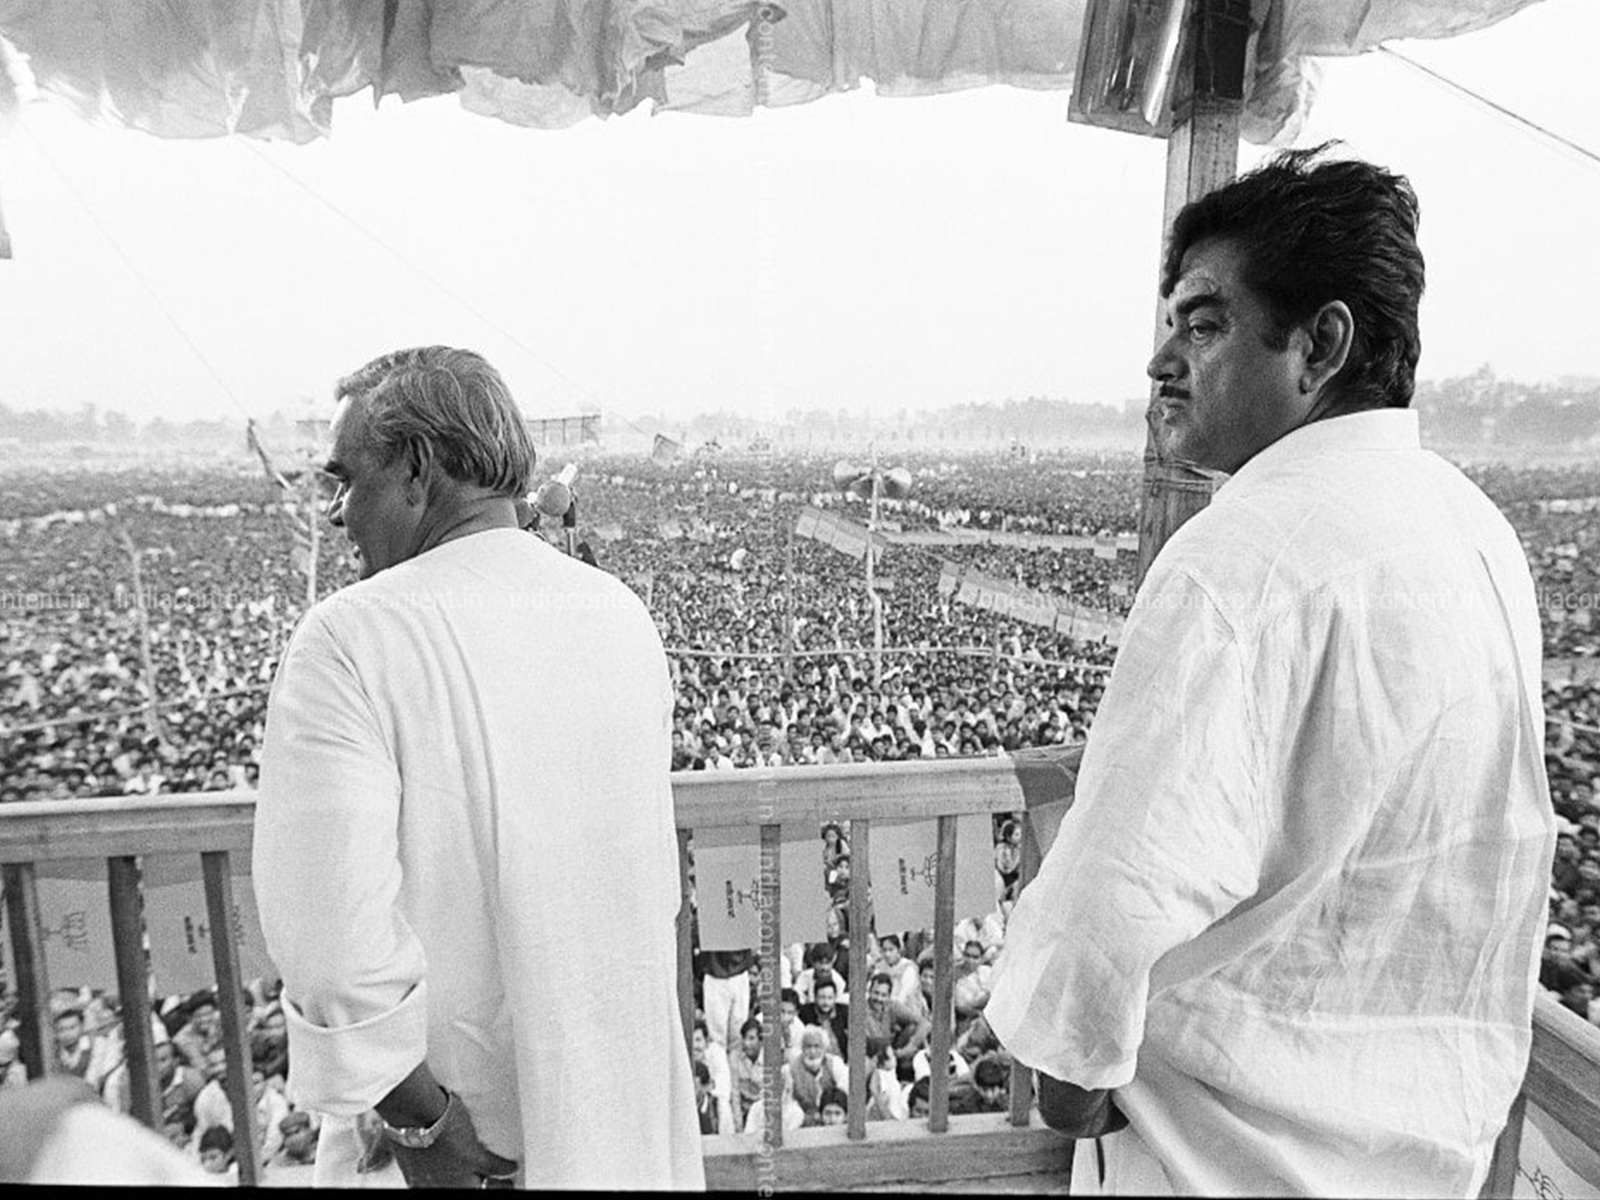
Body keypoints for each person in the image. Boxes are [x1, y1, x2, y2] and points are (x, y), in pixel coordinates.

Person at [986, 146, 1555, 1196]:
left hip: (1214, 1160)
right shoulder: (1474, 530)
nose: (1162, 362)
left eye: (1202, 323)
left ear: (1319, 345)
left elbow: (1110, 903)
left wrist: (1071, 1090)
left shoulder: (1236, 558)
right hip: (1427, 1162)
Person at [252, 346, 703, 1189]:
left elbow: (330, 945)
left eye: (348, 480)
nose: (341, 514)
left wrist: (425, 1130)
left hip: (457, 1139)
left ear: (419, 469)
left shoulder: (350, 639)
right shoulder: (620, 614)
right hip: (617, 1111)